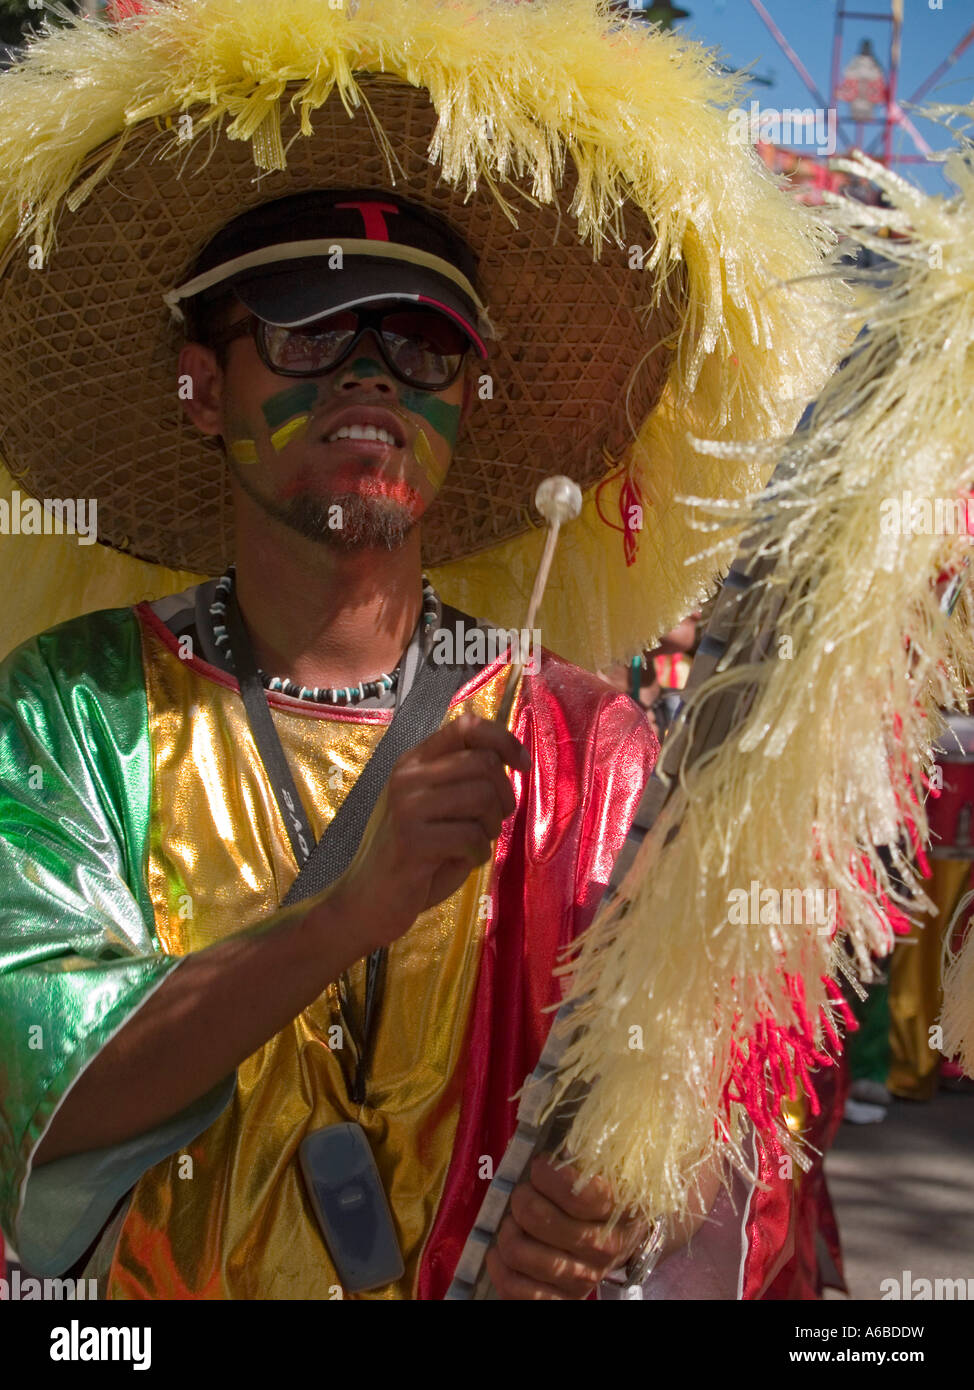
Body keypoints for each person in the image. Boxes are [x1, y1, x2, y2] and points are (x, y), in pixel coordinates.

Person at [0, 0, 842, 1299]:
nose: (374, 375)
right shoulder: (72, 706)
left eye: (425, 342)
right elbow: (35, 1081)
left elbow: (728, 1118)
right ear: (201, 383)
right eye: (305, 326)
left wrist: (630, 1207)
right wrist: (348, 912)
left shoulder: (585, 747)